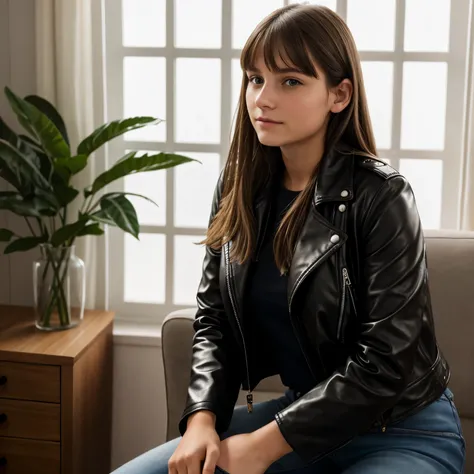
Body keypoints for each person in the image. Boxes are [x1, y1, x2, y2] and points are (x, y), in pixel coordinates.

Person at [112, 4, 465, 474]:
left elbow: (386, 360)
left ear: (338, 95)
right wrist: (201, 421)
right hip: (296, 420)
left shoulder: (382, 196)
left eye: (291, 81)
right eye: (255, 79)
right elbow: (213, 318)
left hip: (400, 430)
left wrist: (262, 446)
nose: (262, 98)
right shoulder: (240, 186)